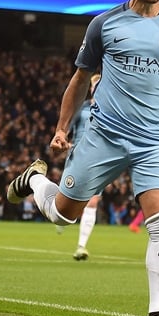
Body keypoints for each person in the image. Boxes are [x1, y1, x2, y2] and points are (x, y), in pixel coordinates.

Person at [6, 0, 159, 316]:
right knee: (64, 213)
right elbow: (80, 79)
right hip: (104, 134)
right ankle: (35, 181)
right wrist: (62, 129)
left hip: (155, 140)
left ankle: (156, 313)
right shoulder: (104, 24)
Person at [70, 73, 101, 261]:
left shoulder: (110, 110)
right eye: (94, 85)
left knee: (93, 201)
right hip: (78, 154)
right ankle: (59, 214)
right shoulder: (81, 108)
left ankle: (81, 246)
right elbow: (67, 126)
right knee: (69, 203)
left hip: (99, 157)